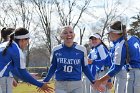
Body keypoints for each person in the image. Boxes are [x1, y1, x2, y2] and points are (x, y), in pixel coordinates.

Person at [43, 26, 104, 93]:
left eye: (71, 32)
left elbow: (85, 67)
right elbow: (53, 67)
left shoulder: (82, 49)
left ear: (74, 35)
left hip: (76, 84)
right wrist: (46, 80)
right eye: (65, 33)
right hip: (60, 84)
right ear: (61, 36)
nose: (68, 34)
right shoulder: (56, 50)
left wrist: (93, 81)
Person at [0, 27, 53, 93]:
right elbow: (23, 73)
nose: (27, 44)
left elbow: (14, 70)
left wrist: (27, 79)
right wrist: (40, 85)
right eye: (27, 40)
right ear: (22, 40)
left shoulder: (3, 45)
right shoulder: (16, 50)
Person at [93, 21, 140, 93]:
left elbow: (116, 67)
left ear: (114, 33)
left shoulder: (121, 45)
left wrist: (100, 80)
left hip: (134, 73)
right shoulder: (133, 38)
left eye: (109, 33)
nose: (109, 35)